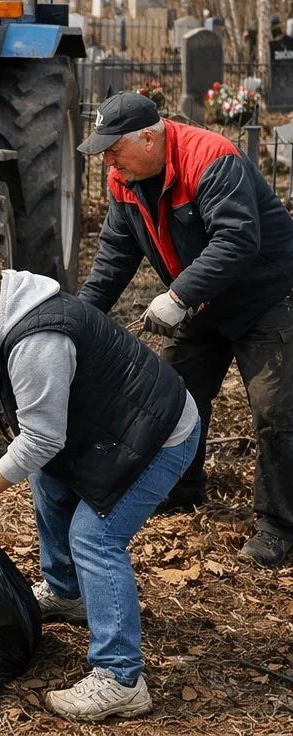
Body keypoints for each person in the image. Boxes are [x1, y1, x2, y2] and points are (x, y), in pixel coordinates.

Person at [0, 259, 199, 721]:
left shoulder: (37, 340)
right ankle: (69, 593)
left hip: (157, 433)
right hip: (107, 429)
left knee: (96, 536)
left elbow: (43, 437)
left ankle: (121, 678)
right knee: (49, 480)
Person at [76, 91, 293, 567]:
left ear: (150, 138)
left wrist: (177, 297)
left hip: (265, 299)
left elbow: (237, 239)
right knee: (174, 399)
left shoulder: (211, 159)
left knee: (276, 414)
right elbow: (115, 254)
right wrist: (77, 319)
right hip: (201, 303)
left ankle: (278, 526)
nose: (109, 162)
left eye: (114, 149)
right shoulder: (126, 180)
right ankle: (181, 488)